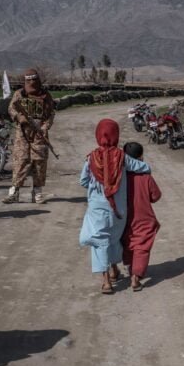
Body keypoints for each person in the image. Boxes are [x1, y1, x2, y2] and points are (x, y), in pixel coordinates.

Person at [79, 119, 151, 294]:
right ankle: (114, 269)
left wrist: (97, 187)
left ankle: (106, 281)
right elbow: (144, 167)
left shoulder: (91, 158)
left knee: (99, 241)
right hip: (118, 210)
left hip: (97, 209)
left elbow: (83, 181)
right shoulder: (122, 157)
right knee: (113, 239)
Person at [2, 68, 55, 204]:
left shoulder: (46, 96)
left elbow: (50, 114)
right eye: (29, 81)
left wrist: (45, 127)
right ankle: (14, 192)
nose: (32, 84)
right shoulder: (19, 94)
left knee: (39, 162)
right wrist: (19, 117)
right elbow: (11, 108)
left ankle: (37, 192)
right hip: (23, 134)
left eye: (34, 81)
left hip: (39, 134)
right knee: (20, 161)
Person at [121, 142, 162, 291]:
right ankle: (136, 277)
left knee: (128, 241)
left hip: (124, 217)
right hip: (144, 216)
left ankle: (130, 267)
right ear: (140, 157)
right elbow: (156, 196)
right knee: (142, 245)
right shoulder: (145, 176)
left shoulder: (121, 177)